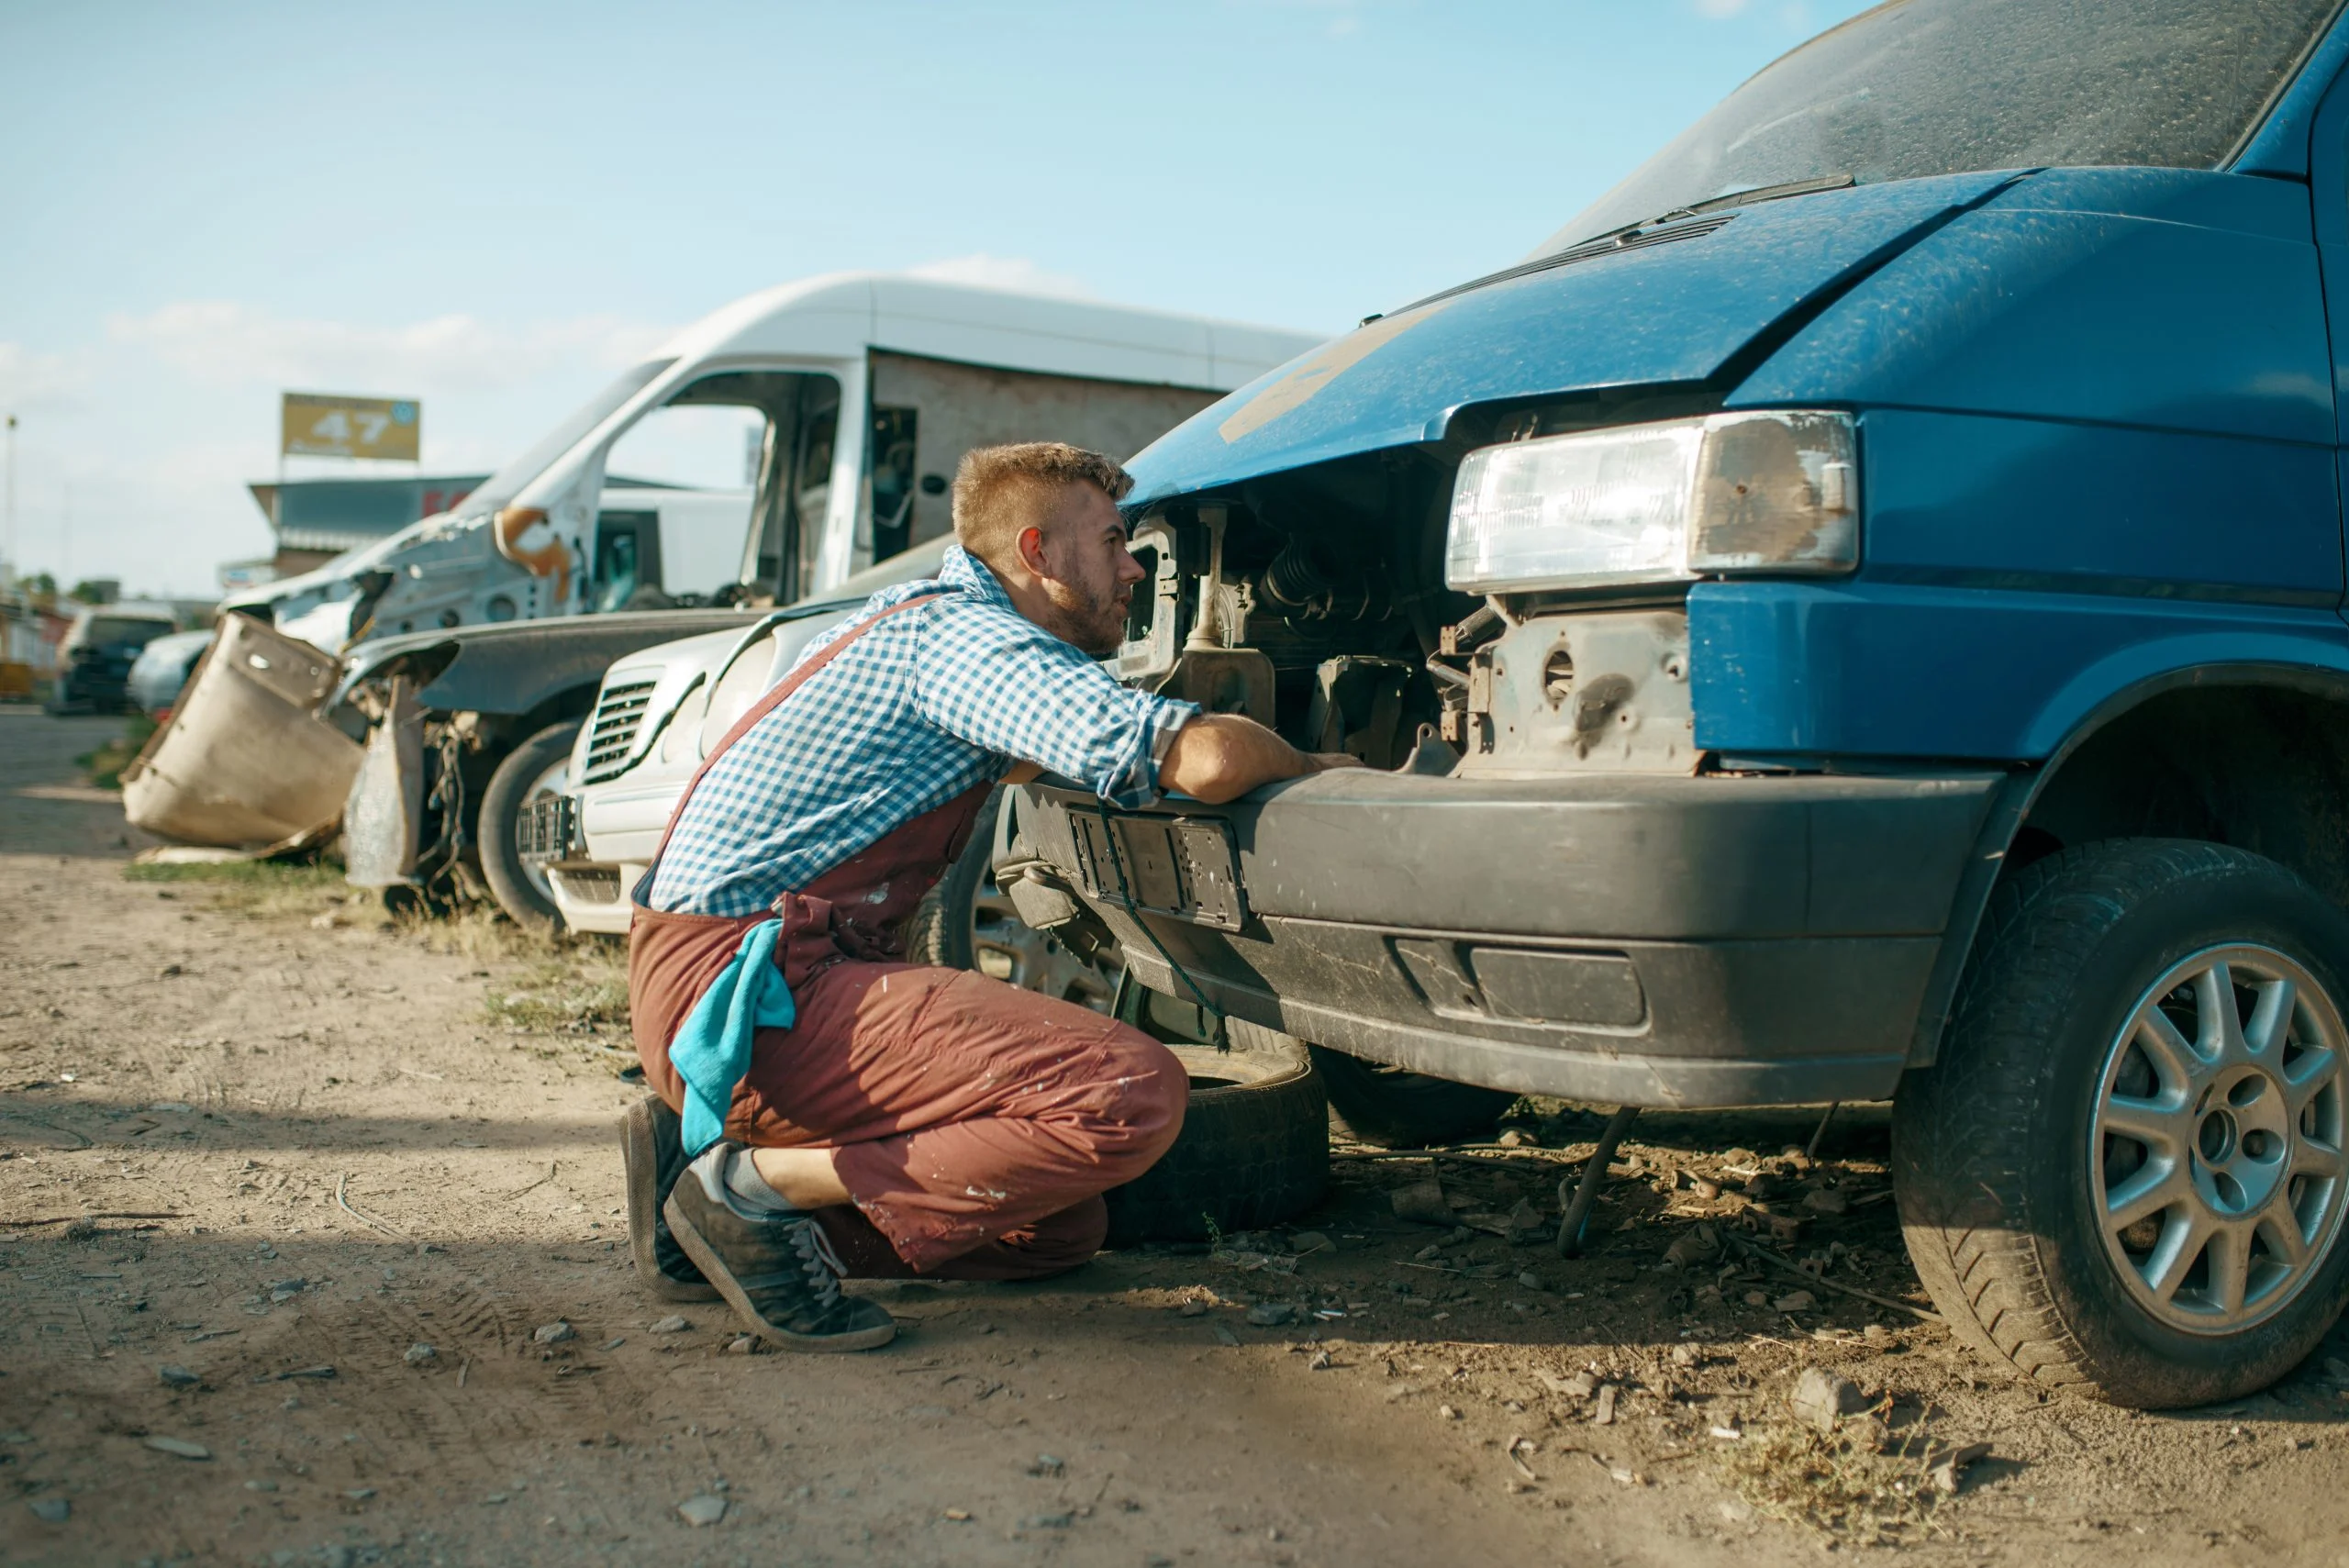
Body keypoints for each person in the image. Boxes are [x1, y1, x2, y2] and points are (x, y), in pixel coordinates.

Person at [620, 441, 1357, 1351]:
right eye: (1116, 540)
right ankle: (745, 1186)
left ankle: (688, 1200)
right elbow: (1206, 759)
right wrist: (1321, 764)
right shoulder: (967, 639)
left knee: (1050, 1230)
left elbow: (1058, 751)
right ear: (1039, 553)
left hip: (753, 977)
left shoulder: (921, 620)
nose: (1134, 567)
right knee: (1127, 1094)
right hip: (751, 991)